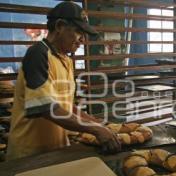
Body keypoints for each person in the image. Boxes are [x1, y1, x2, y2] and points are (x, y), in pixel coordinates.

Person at [6, 1, 121, 160]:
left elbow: (66, 106)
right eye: (79, 32)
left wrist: (97, 123)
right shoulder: (38, 54)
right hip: (29, 155)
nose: (82, 40)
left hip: (56, 151)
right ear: (59, 26)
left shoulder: (66, 61)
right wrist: (95, 130)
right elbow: (47, 108)